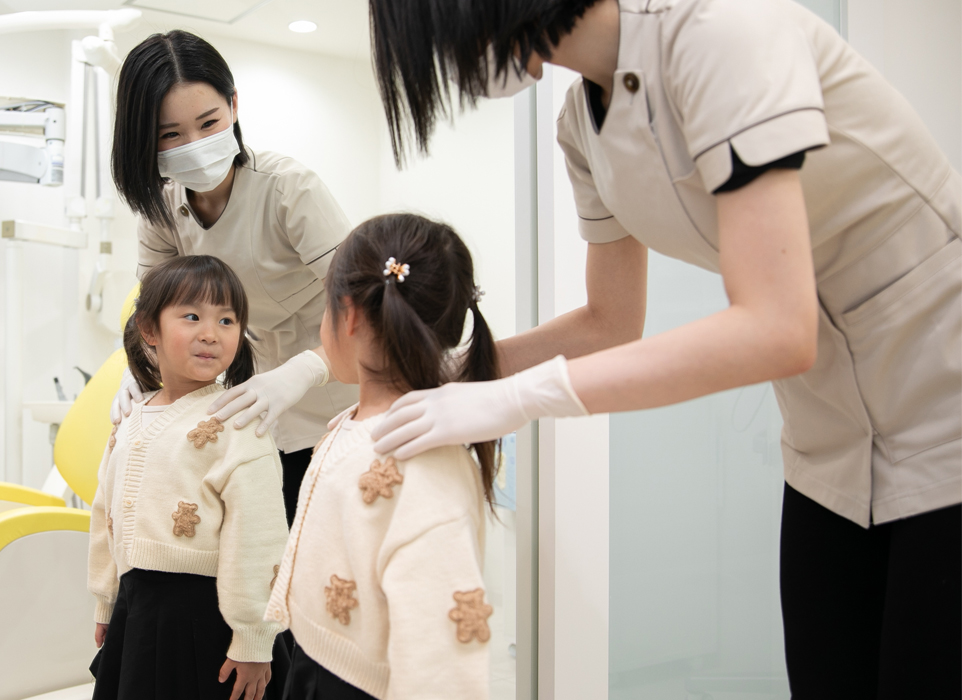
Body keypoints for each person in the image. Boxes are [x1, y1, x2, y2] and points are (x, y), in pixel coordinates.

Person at [365, 0, 961, 697]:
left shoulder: (724, 37)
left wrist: (515, 399)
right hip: (829, 448)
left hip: (944, 425)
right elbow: (609, 323)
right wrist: (455, 374)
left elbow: (777, 327)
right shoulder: (580, 127)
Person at [110, 30, 357, 527]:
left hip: (339, 382)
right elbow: (155, 313)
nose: (195, 146)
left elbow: (368, 308)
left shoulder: (288, 189)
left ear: (234, 106)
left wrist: (305, 370)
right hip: (255, 398)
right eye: (170, 134)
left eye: (208, 123)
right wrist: (138, 368)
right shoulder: (161, 212)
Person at [265, 214, 496, 700]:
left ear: (347, 315)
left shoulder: (423, 464)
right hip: (316, 663)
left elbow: (443, 668)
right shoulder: (352, 426)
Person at [88, 255, 289, 700]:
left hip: (208, 618)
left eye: (227, 320)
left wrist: (254, 639)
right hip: (136, 609)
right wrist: (106, 598)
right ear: (149, 329)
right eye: (192, 316)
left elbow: (258, 537)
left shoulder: (239, 425)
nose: (210, 333)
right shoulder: (131, 419)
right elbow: (106, 515)